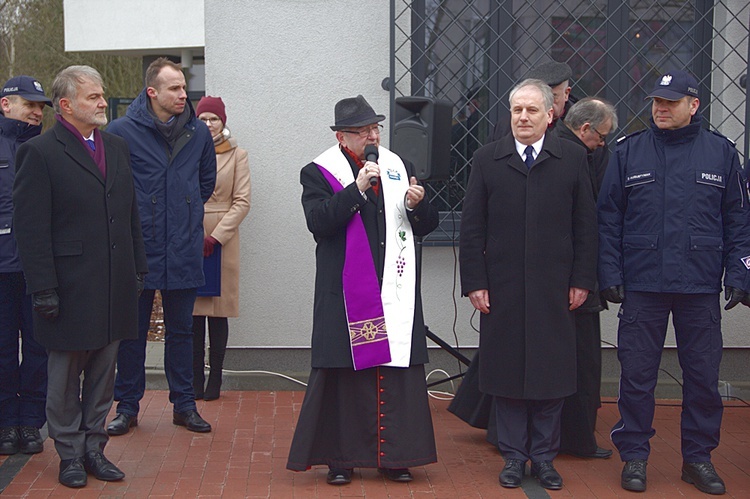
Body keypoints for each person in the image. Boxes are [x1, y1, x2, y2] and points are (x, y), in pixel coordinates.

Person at [598, 69, 750, 495]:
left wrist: (740, 274)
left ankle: (698, 458)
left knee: (702, 377)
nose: (660, 109)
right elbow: (608, 219)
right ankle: (635, 457)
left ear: (693, 105)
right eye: (656, 102)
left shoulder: (720, 153)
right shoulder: (629, 152)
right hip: (643, 284)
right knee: (637, 376)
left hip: (699, 286)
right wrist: (609, 273)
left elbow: (739, 220)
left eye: (670, 102)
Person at [286, 95, 439, 485]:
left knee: (396, 369)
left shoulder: (397, 166)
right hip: (345, 292)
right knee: (345, 375)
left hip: (394, 287)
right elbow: (319, 223)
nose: (373, 136)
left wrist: (418, 205)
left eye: (376, 128)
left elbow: (424, 225)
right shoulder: (318, 172)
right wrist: (355, 190)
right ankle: (341, 459)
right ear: (342, 137)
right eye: (364, 131)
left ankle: (396, 456)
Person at [12, 65, 147, 488]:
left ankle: (94, 448)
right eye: (93, 97)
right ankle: (69, 454)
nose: (103, 102)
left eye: (102, 95)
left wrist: (138, 269)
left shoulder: (116, 147)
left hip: (114, 284)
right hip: (68, 288)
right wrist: (43, 289)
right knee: (65, 380)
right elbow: (30, 229)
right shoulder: (40, 152)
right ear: (66, 105)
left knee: (105, 375)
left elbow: (130, 215)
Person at [459, 79, 597, 490]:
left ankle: (544, 457)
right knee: (507, 376)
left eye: (531, 110)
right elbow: (471, 229)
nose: (522, 117)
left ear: (549, 115)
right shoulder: (487, 159)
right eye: (517, 110)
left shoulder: (572, 158)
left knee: (551, 377)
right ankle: (514, 457)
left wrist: (582, 280)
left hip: (555, 289)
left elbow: (586, 227)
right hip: (502, 289)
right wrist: (475, 283)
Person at [106, 57, 216, 436]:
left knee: (182, 331)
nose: (184, 94)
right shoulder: (120, 131)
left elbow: (205, 184)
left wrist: (183, 213)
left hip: (183, 246)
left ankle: (184, 405)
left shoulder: (198, 133)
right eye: (175, 88)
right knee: (131, 331)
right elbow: (114, 188)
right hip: (139, 248)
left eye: (184, 87)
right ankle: (127, 406)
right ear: (152, 92)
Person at [556, 97, 618, 460]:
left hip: (554, 276)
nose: (603, 145)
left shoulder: (547, 150)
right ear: (585, 130)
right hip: (578, 275)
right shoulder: (579, 158)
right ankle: (579, 438)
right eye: (601, 137)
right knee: (583, 360)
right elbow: (589, 220)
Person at [0, 76, 51, 456]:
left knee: (37, 348)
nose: (37, 113)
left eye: (40, 107)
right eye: (30, 105)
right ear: (6, 105)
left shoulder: (46, 148)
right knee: (2, 348)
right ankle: (5, 422)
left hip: (38, 268)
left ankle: (31, 423)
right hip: (2, 268)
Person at [192, 96, 251, 401]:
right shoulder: (186, 150)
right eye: (203, 119)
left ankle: (215, 377)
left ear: (223, 122)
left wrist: (216, 236)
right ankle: (193, 380)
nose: (208, 124)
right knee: (192, 312)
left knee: (217, 312)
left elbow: (242, 201)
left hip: (222, 238)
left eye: (213, 119)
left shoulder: (237, 155)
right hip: (189, 234)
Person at [488, 60, 573, 142]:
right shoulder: (504, 127)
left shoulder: (579, 124)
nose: (548, 102)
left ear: (566, 93)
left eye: (553, 96)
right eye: (541, 97)